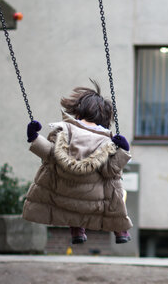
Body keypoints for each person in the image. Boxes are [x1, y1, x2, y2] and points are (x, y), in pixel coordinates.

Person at [22, 80, 133, 244]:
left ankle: (77, 230)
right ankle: (120, 230)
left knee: (66, 189)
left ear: (79, 111)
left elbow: (51, 155)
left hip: (61, 196)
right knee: (115, 186)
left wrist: (34, 138)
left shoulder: (64, 131)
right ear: (104, 117)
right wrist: (123, 151)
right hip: (96, 203)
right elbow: (110, 170)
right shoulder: (106, 141)